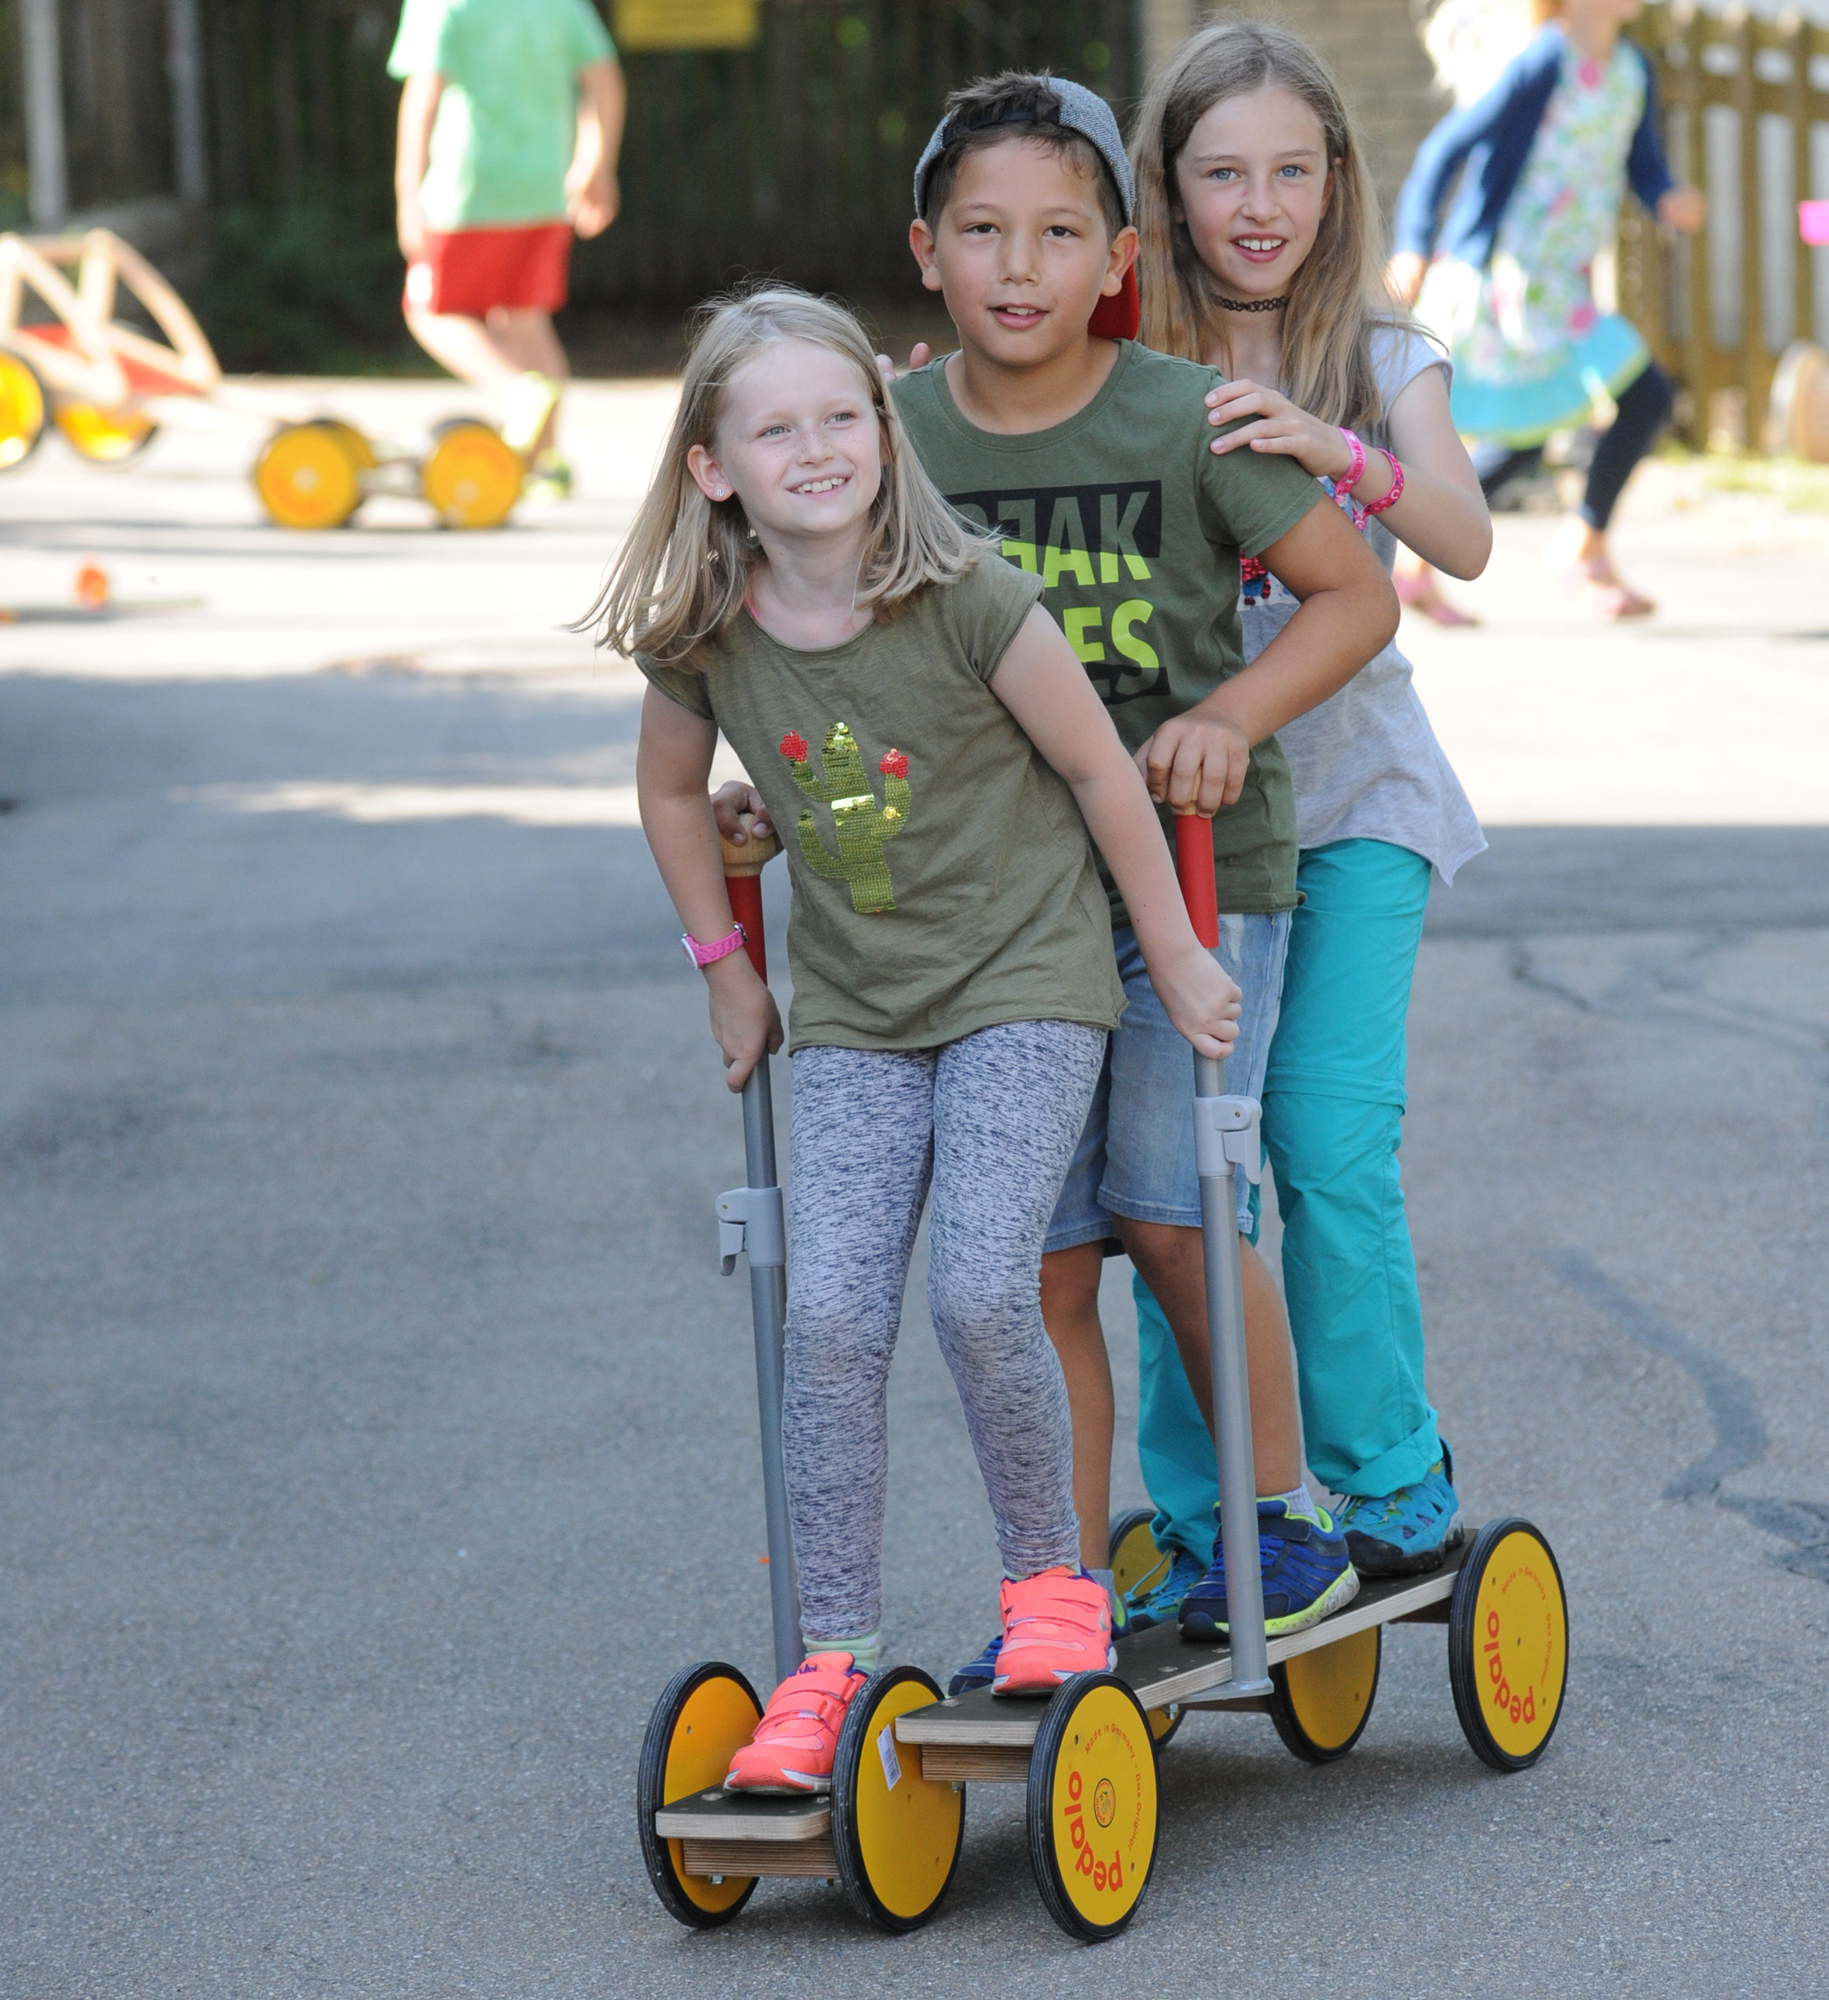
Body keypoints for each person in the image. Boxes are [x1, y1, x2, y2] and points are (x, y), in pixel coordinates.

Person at [596, 287, 1245, 1789]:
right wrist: (723, 970)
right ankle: (829, 1659)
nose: (817, 447)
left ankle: (1052, 1591)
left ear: (884, 432)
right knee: (825, 1317)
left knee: (976, 1289)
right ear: (713, 467)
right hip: (859, 1016)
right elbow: (673, 795)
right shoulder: (703, 632)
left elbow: (1098, 771)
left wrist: (1170, 950)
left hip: (1025, 981)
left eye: (843, 415)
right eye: (776, 426)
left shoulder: (968, 594)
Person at [867, 71, 1399, 1677]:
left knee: (1175, 1216)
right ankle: (1063, 1588)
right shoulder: (892, 436)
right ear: (928, 252)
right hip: (1005, 901)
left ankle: (1284, 1516)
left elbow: (1351, 597)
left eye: (1055, 234)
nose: (1017, 268)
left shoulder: (1180, 416)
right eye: (981, 232)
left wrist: (1229, 716)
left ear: (1116, 256)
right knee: (1043, 1256)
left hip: (1188, 869)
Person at [1112, 20, 1491, 1629]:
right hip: (1193, 828)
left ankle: (1393, 1473)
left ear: (1338, 181)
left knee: (1327, 1145)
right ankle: (1216, 1516)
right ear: (1170, 189)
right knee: (1195, 1176)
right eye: (1220, 174)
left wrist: (1336, 453)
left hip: (1354, 811)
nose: (1257, 204)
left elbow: (1462, 541)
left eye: (1289, 169)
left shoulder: (1385, 359)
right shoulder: (1124, 364)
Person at [1389, 0, 1705, 620]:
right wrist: (1412, 246)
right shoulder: (1542, 60)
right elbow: (1443, 151)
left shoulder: (1632, 69)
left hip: (1564, 283)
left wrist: (1667, 196)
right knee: (1635, 397)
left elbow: (1641, 162)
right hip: (1509, 279)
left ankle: (1417, 562)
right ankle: (1578, 548)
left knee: (1536, 429)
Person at [389, 0, 625, 496]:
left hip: (468, 189)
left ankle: (517, 393)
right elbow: (605, 79)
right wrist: (595, 164)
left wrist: (408, 198)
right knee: (523, 317)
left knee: (428, 310)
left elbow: (422, 100)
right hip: (543, 188)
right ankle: (547, 464)